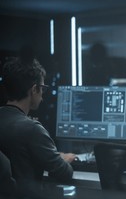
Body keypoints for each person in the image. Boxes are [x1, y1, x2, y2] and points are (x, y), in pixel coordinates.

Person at [0, 55, 76, 183]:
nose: (42, 95)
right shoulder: (32, 129)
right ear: (34, 89)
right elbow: (64, 173)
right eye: (43, 88)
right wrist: (62, 159)